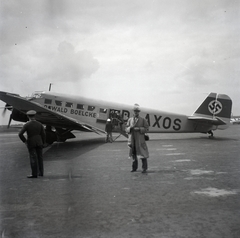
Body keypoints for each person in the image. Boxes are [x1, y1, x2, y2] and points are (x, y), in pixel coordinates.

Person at [18, 110, 46, 178]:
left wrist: (25, 141)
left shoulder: (27, 124)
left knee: (33, 158)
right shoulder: (40, 124)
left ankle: (34, 174)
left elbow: (20, 134)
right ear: (35, 115)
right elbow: (44, 134)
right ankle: (41, 173)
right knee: (40, 158)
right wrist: (43, 142)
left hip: (31, 143)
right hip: (39, 142)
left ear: (28, 116)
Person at [126, 104, 149, 173]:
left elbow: (147, 129)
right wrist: (130, 128)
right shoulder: (130, 120)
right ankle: (134, 168)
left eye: (137, 111)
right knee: (133, 154)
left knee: (143, 154)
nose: (136, 112)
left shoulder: (143, 120)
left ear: (139, 112)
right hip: (132, 140)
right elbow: (126, 128)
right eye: (135, 111)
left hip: (140, 140)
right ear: (133, 112)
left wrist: (139, 129)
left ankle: (144, 168)